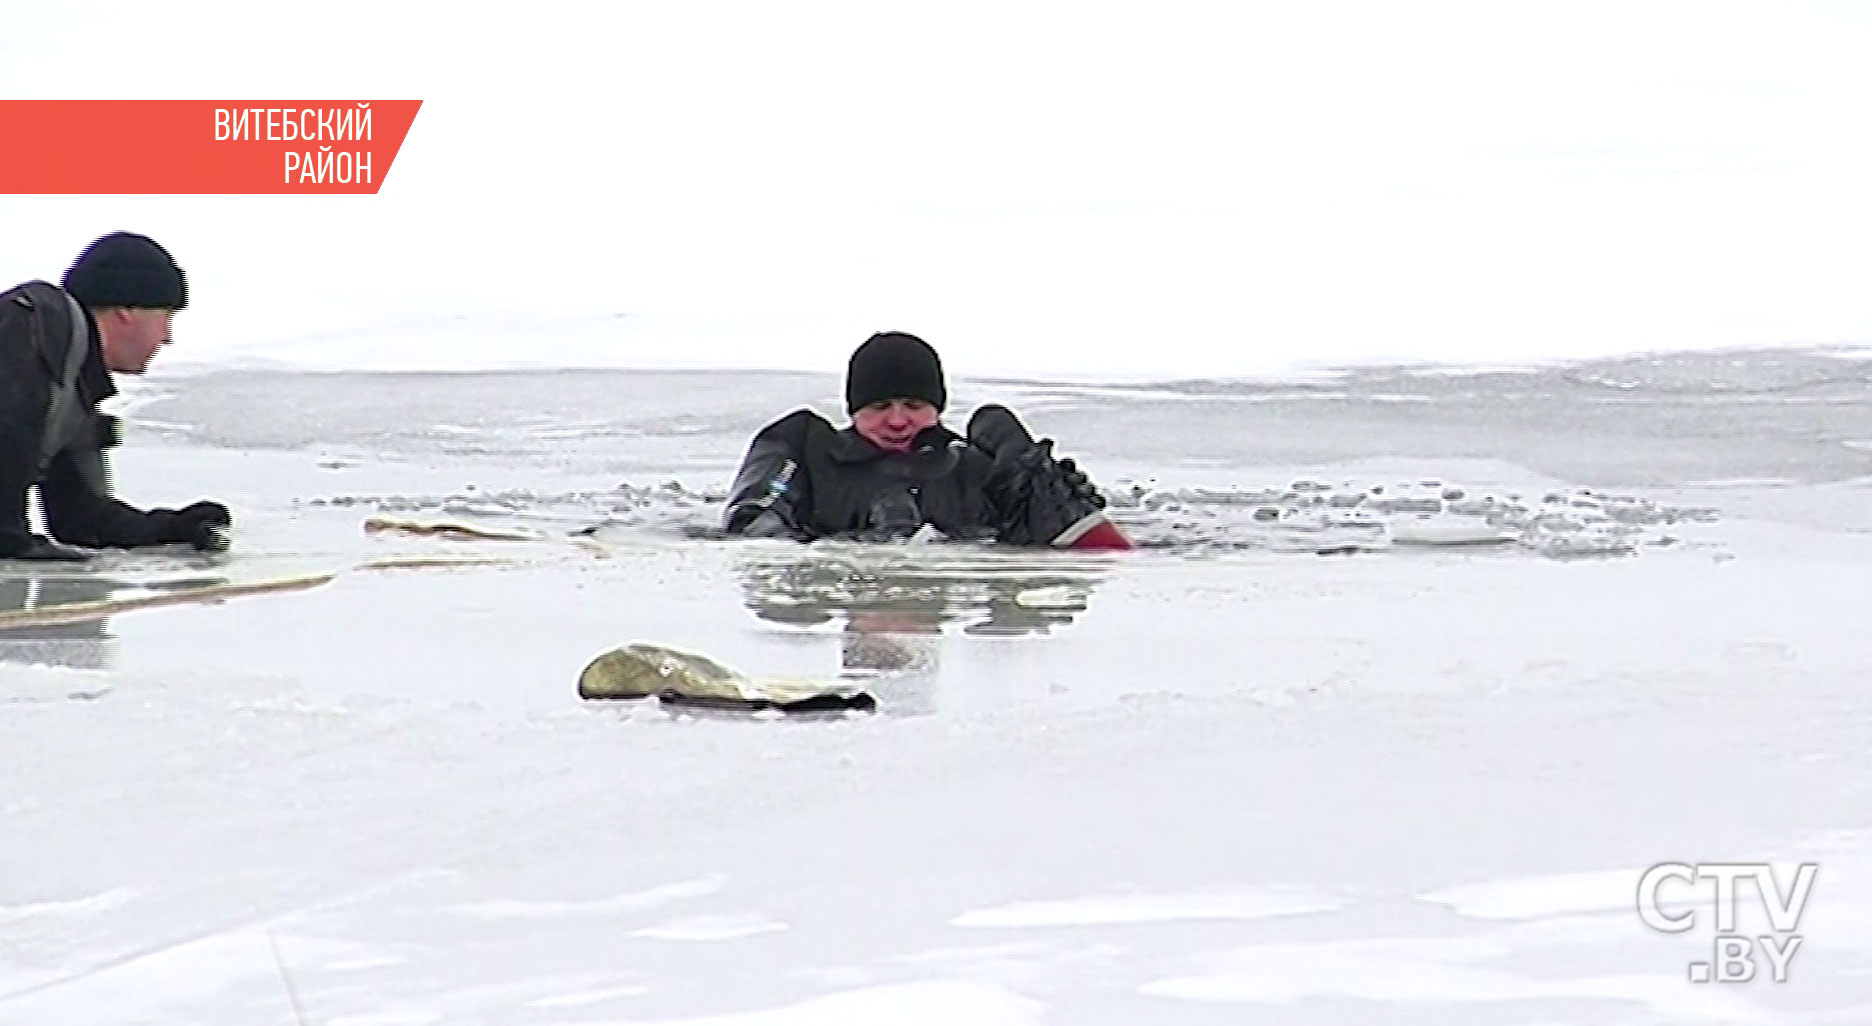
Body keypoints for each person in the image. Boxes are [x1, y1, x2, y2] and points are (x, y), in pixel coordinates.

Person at [722, 331, 1131, 549]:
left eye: (913, 404)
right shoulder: (808, 452)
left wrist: (1035, 480)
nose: (897, 420)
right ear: (854, 410)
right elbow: (754, 518)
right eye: (880, 405)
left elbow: (1096, 550)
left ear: (936, 407)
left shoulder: (975, 465)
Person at [0, 232, 232, 561]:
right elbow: (7, 424)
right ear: (127, 311)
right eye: (166, 318)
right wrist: (8, 536)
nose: (167, 338)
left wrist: (171, 528)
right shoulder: (37, 317)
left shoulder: (71, 387)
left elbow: (82, 520)